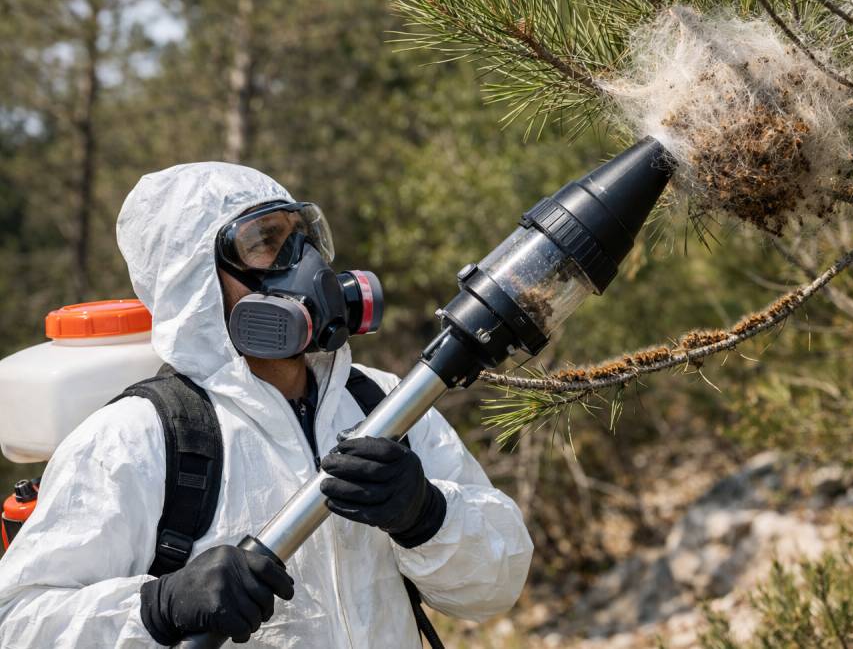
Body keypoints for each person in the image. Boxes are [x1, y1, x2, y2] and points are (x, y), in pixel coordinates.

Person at [0, 162, 533, 647]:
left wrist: (426, 514)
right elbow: (20, 622)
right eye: (266, 243)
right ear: (197, 283)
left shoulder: (386, 404)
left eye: (302, 237)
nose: (303, 264)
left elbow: (496, 587)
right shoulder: (140, 437)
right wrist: (158, 608)